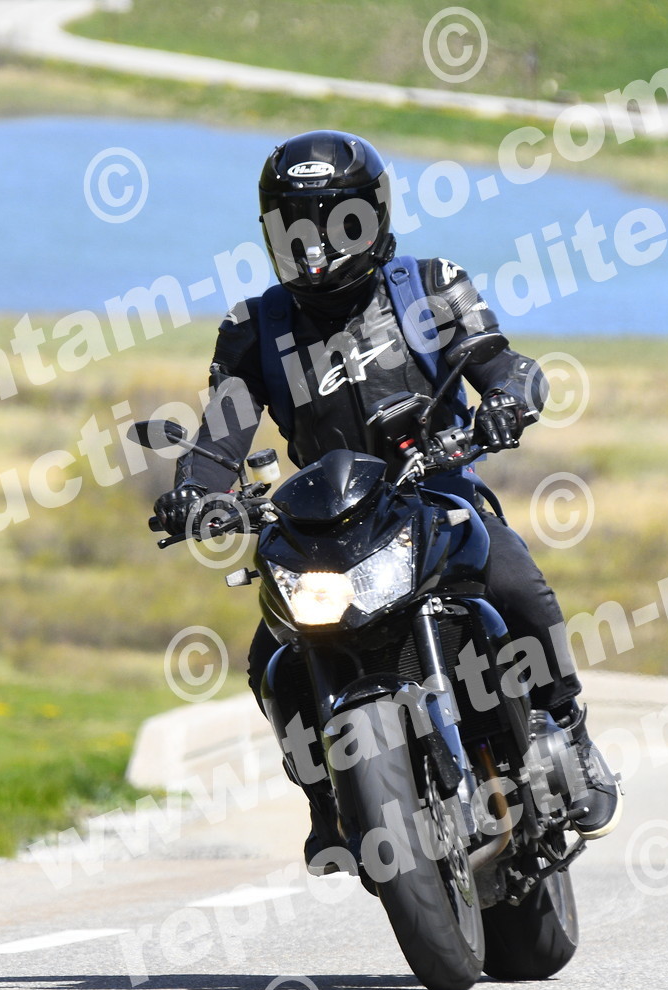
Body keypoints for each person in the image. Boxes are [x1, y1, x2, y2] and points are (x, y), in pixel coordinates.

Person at [152, 130, 620, 868]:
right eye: (295, 230)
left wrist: (506, 401)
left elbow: (504, 364)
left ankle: (570, 727)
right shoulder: (253, 328)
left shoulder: (431, 286)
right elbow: (219, 439)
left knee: (513, 578)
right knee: (272, 657)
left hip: (436, 491)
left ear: (372, 217)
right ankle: (330, 805)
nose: (314, 251)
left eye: (333, 227)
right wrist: (193, 494)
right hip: (327, 525)